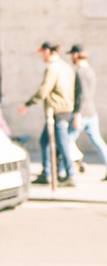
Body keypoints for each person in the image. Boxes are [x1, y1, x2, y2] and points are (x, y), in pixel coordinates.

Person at [17, 42, 76, 186]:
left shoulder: (53, 69)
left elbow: (44, 90)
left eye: (43, 52)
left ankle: (70, 174)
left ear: (48, 51)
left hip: (57, 110)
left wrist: (28, 104)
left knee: (62, 143)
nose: (42, 56)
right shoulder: (66, 67)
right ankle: (47, 173)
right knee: (45, 142)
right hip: (65, 109)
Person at [68, 44, 107, 181]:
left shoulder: (80, 72)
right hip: (91, 112)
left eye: (72, 54)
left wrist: (77, 113)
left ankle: (73, 165)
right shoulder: (90, 70)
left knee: (67, 140)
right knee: (98, 141)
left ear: (76, 54)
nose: (71, 57)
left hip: (81, 113)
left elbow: (81, 95)